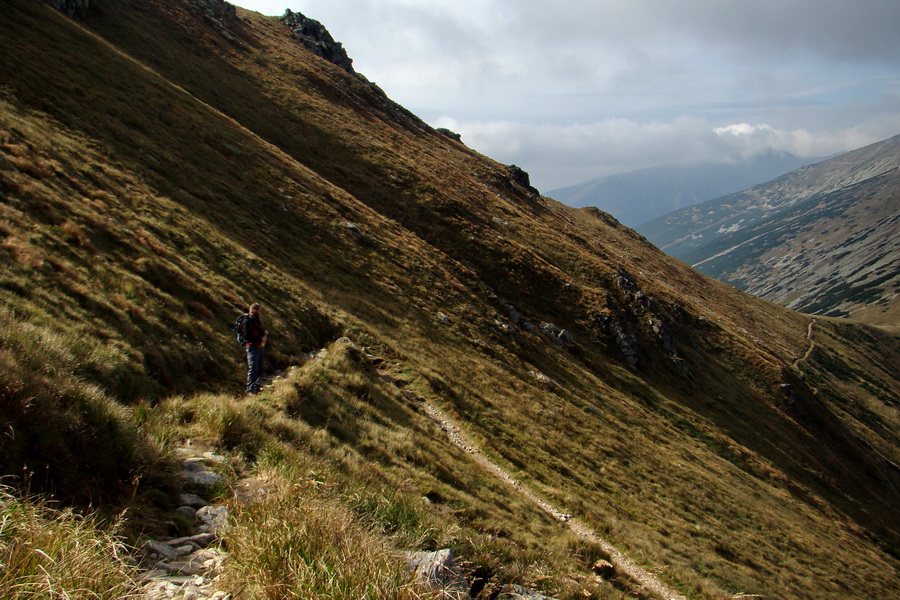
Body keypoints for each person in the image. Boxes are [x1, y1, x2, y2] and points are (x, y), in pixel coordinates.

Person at [241, 303, 268, 395]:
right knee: (253, 368)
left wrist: (263, 332)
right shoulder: (247, 322)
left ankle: (256, 386)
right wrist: (260, 339)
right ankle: (250, 390)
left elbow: (258, 330)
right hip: (252, 347)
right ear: (254, 310)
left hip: (259, 346)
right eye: (259, 310)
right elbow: (247, 336)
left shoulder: (256, 321)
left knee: (259, 367)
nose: (260, 312)